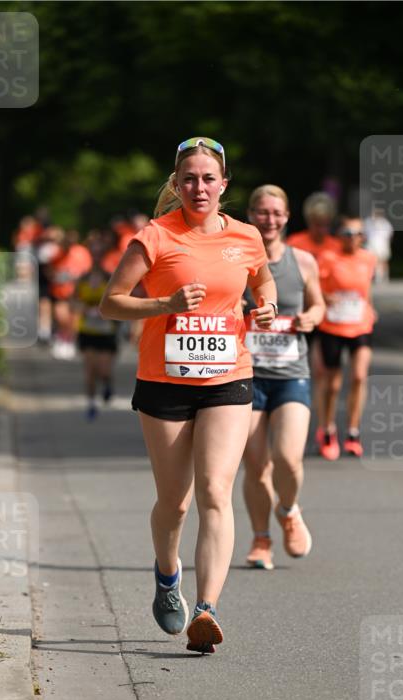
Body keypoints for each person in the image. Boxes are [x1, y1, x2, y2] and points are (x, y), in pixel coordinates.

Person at [100, 137, 277, 653]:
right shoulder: (154, 237)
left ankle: (207, 609)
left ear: (225, 184)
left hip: (228, 377)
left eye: (208, 179)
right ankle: (167, 574)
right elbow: (111, 304)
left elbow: (263, 285)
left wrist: (264, 306)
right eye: (189, 179)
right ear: (176, 185)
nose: (199, 187)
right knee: (176, 504)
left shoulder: (245, 237)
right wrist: (165, 304)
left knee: (216, 493)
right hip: (164, 382)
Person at [242, 185, 324, 570]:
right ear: (250, 215)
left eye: (276, 213)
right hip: (246, 375)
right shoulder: (236, 260)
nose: (269, 219)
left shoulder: (303, 261)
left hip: (291, 373)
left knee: (288, 458)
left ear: (287, 217)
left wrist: (312, 317)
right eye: (261, 212)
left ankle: (288, 510)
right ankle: (261, 540)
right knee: (256, 466)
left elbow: (319, 303)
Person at [315, 217, 377, 459]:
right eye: (346, 232)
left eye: (356, 233)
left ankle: (353, 432)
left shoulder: (369, 259)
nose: (351, 237)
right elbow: (314, 285)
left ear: (363, 237)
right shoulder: (328, 257)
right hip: (332, 325)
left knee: (360, 376)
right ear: (339, 235)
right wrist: (324, 298)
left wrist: (370, 307)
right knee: (333, 384)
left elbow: (366, 289)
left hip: (361, 324)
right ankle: (327, 429)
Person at [74, 240, 119, 420]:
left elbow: (120, 298)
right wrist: (83, 309)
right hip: (87, 330)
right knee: (90, 371)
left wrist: (108, 310)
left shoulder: (111, 277)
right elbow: (73, 300)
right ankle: (91, 404)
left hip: (107, 331)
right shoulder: (83, 279)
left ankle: (108, 384)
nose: (96, 258)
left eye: (99, 254)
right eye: (93, 254)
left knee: (104, 370)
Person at [49, 231, 92, 359]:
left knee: (74, 320)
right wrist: (56, 276)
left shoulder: (82, 252)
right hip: (60, 291)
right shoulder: (56, 253)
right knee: (61, 317)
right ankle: (61, 338)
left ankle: (69, 341)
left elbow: (87, 270)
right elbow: (49, 269)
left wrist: (76, 277)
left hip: (77, 293)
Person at [286, 191, 341, 261]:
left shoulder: (337, 246)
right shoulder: (293, 243)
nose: (322, 230)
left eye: (326, 225)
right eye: (318, 225)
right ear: (309, 222)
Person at [363, 208, 394, 282]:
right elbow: (364, 233)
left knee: (383, 261)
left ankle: (385, 277)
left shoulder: (385, 223)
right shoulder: (368, 222)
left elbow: (390, 234)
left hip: (382, 245)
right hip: (371, 245)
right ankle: (373, 276)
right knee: (371, 261)